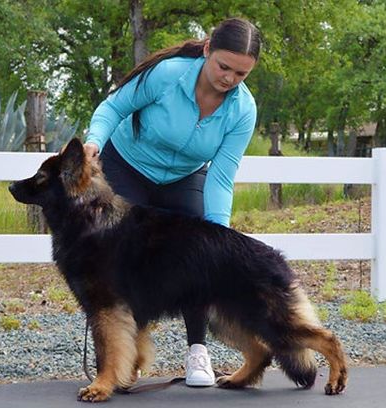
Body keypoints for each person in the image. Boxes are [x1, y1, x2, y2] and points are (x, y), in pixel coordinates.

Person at [84, 17, 261, 387]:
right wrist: (94, 142)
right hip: (127, 165)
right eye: (223, 66)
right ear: (208, 50)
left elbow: (221, 176)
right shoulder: (168, 75)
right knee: (123, 260)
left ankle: (197, 350)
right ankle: (123, 358)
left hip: (183, 177)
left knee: (198, 256)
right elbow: (113, 108)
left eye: (241, 74)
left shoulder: (243, 110)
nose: (229, 78)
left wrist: (218, 236)